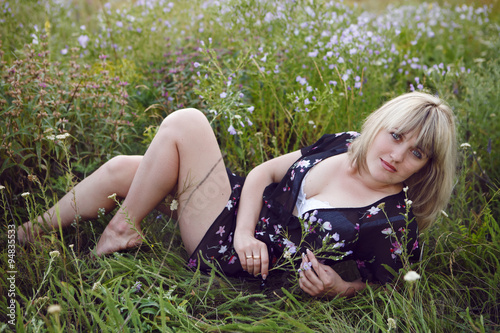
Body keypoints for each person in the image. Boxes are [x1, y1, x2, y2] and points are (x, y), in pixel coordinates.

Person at [18, 91, 456, 298]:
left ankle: (120, 228)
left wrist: (340, 288)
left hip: (243, 260)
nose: (397, 154)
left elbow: (390, 285)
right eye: (395, 135)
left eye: (415, 152)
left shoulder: (393, 218)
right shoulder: (342, 143)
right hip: (239, 220)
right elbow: (264, 173)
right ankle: (25, 235)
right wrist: (245, 228)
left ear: (426, 166)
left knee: (187, 123)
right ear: (380, 125)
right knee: (125, 169)